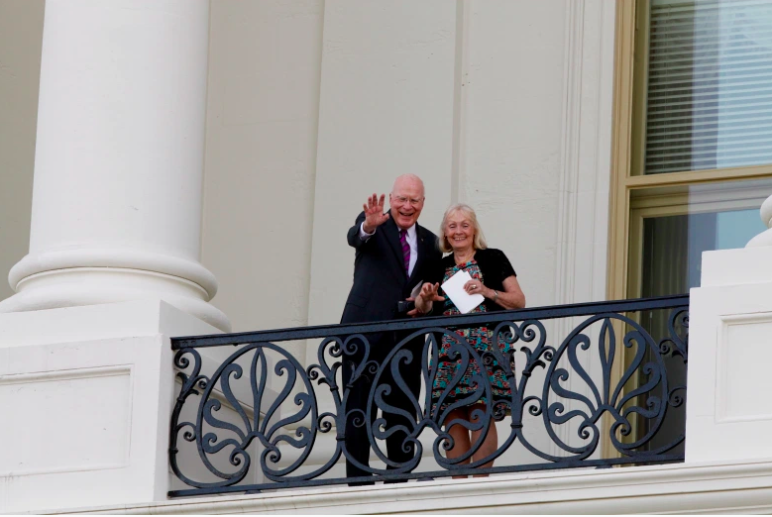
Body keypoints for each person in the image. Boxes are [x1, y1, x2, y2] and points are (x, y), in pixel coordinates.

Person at [340, 173, 442, 483]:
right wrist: (369, 224)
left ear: (423, 204)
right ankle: (357, 485)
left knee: (402, 413)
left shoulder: (431, 243)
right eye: (401, 199)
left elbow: (433, 294)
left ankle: (398, 484)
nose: (407, 206)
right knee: (358, 413)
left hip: (407, 341)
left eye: (414, 200)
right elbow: (357, 235)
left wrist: (425, 300)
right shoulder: (375, 223)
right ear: (391, 198)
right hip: (364, 335)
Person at [414, 203, 525, 476]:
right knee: (452, 414)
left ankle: (480, 483)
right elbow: (423, 306)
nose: (459, 230)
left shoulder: (493, 258)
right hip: (448, 350)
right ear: (445, 233)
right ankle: (459, 487)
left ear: (474, 230)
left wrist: (488, 291)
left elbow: (519, 301)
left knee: (480, 411)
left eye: (464, 225)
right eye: (452, 226)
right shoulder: (437, 266)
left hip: (486, 347)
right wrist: (425, 299)